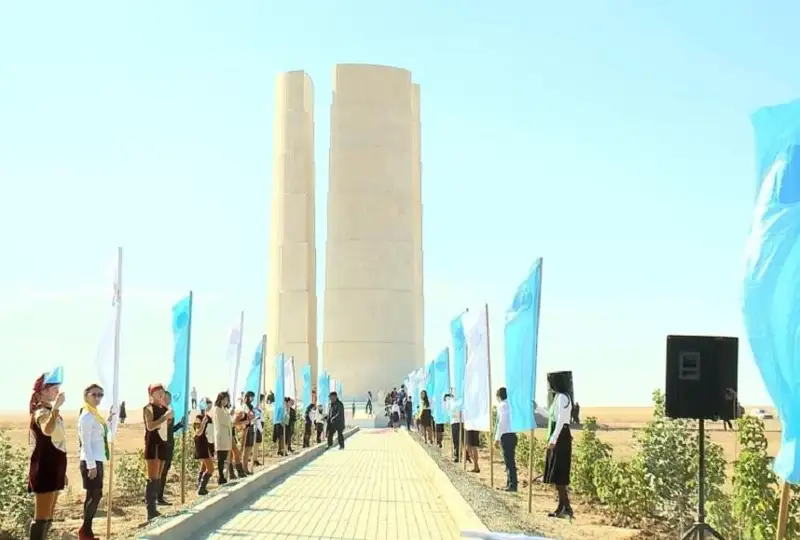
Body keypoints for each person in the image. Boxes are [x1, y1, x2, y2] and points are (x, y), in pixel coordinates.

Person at [28, 369, 67, 540]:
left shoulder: (49, 412)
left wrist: (62, 472)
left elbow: (58, 443)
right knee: (41, 517)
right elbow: (47, 430)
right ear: (43, 391)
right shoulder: (41, 412)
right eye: (53, 388)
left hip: (54, 467)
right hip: (44, 468)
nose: (57, 391)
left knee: (48, 517)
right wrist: (56, 408)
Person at [78, 384, 109, 540]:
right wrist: (91, 466)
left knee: (92, 495)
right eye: (94, 394)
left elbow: (101, 435)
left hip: (97, 459)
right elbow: (85, 442)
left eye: (100, 395)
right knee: (96, 495)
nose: (97, 398)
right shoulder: (86, 416)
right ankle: (84, 529)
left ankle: (87, 532)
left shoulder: (95, 415)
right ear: (86, 396)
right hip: (90, 461)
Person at [544, 372, 574, 519]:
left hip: (561, 436)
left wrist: (553, 440)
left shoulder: (562, 397)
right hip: (560, 436)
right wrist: (536, 408)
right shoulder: (558, 398)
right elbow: (552, 416)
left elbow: (561, 421)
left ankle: (564, 508)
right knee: (557, 474)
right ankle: (565, 506)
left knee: (559, 473)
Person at [142, 383, 173, 520]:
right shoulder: (148, 408)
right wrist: (165, 417)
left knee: (159, 476)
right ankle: (150, 510)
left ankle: (154, 507)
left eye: (162, 391)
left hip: (162, 444)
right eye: (158, 391)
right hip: (153, 443)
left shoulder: (164, 408)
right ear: (151, 394)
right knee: (152, 477)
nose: (161, 393)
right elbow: (150, 426)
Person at [157, 391, 184, 505]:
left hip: (169, 445)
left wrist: (180, 424)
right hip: (160, 446)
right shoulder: (159, 412)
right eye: (166, 398)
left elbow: (170, 430)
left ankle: (160, 496)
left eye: (170, 399)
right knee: (157, 472)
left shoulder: (170, 413)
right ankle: (152, 496)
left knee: (164, 472)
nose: (168, 400)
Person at [494, 387, 517, 492]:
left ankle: (512, 484)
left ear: (499, 396)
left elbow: (501, 423)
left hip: (506, 435)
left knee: (509, 462)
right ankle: (510, 483)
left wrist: (497, 438)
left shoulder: (502, 405)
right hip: (512, 434)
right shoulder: (511, 405)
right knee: (510, 461)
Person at [193, 398, 214, 495]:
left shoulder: (208, 417)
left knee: (204, 466)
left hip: (207, 443)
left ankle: (200, 484)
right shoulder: (199, 417)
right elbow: (198, 432)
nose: (209, 406)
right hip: (201, 443)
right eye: (208, 404)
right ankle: (201, 488)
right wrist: (203, 423)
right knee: (210, 468)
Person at [211, 391, 233, 485]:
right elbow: (224, 421)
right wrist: (229, 415)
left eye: (227, 400)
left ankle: (222, 476)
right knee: (221, 457)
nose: (225, 401)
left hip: (225, 435)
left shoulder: (223, 409)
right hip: (221, 436)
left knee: (224, 457)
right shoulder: (217, 409)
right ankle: (220, 476)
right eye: (224, 399)